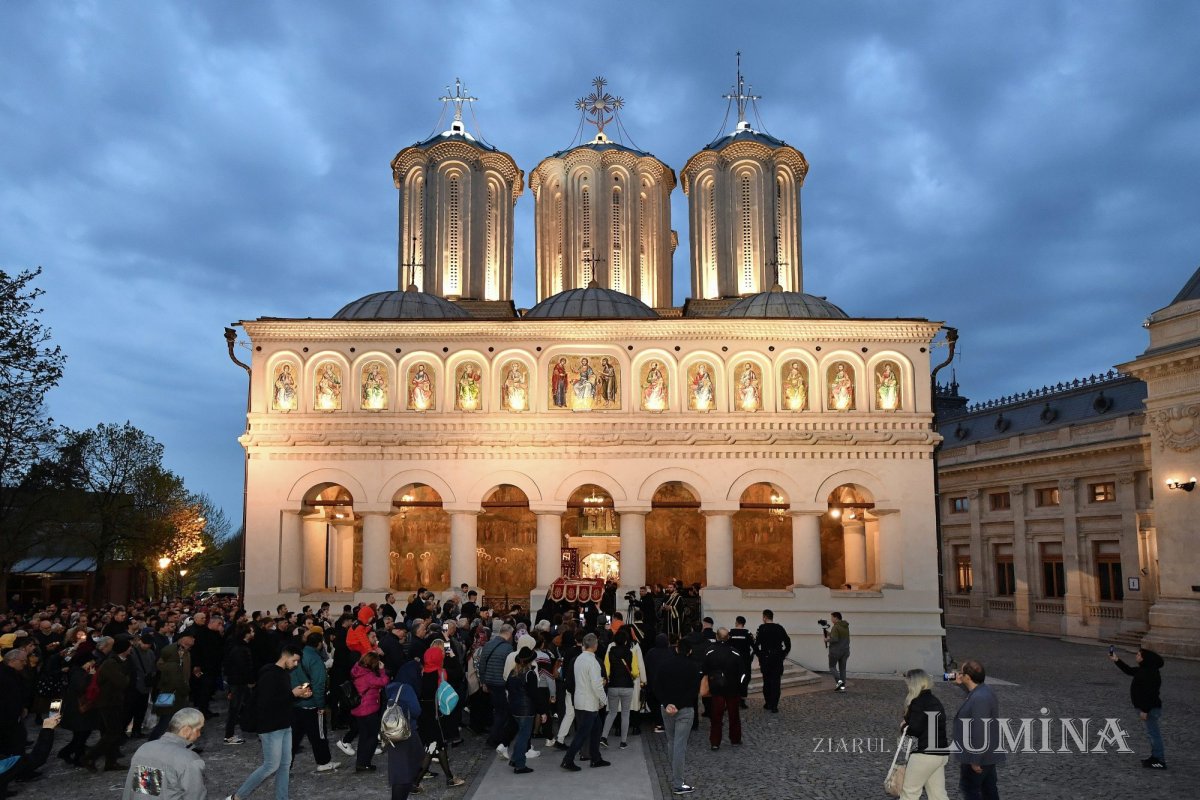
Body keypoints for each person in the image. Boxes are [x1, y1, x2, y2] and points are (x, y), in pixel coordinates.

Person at [224, 644, 313, 800]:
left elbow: (282, 700)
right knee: (271, 765)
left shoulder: (283, 674)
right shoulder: (270, 674)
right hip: (271, 727)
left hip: (284, 724)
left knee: (285, 766)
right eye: (294, 661)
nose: (295, 665)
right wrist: (293, 694)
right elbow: (266, 703)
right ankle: (236, 797)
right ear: (286, 656)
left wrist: (299, 695)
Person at [411, 646, 466, 790]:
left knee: (439, 747)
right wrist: (453, 657)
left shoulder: (421, 672)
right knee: (432, 748)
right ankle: (415, 783)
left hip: (424, 715)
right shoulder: (441, 673)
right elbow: (459, 674)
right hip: (436, 717)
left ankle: (449, 778)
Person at [122, 707, 207, 800]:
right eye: (199, 730)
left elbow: (146, 791)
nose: (199, 735)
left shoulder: (145, 749)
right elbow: (195, 796)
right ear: (186, 730)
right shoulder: (189, 759)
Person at [952, 659, 1004, 800]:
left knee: (970, 790)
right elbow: (972, 693)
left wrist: (975, 759)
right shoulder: (985, 690)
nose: (959, 674)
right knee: (989, 790)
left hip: (977, 755)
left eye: (961, 672)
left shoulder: (980, 698)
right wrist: (961, 685)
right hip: (987, 755)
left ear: (968, 677)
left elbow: (980, 730)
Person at [657, 638, 702, 795]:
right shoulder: (693, 667)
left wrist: (667, 703)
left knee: (671, 742)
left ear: (676, 649)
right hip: (684, 710)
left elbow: (657, 686)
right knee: (679, 745)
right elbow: (693, 691)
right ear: (689, 651)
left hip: (667, 708)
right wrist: (678, 705)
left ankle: (676, 775)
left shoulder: (664, 665)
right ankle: (678, 782)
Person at [1110, 646, 1167, 768]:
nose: (1136, 656)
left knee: (1153, 734)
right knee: (1151, 733)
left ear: (1145, 659)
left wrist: (1145, 710)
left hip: (1150, 709)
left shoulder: (1149, 674)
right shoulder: (1145, 670)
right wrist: (1116, 659)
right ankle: (1155, 757)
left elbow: (1151, 693)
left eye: (1139, 655)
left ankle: (1159, 760)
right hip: (1148, 708)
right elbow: (1129, 670)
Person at [560, 633, 609, 771]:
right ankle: (568, 760)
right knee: (582, 734)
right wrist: (604, 700)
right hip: (589, 703)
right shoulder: (593, 662)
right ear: (595, 646)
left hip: (580, 700)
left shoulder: (578, 659)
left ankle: (596, 758)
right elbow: (597, 685)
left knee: (596, 729)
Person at [291, 631, 338, 773]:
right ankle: (323, 762)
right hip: (311, 704)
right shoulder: (315, 660)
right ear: (319, 644)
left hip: (297, 702)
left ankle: (284, 765)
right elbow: (318, 684)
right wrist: (320, 705)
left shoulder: (300, 655)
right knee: (319, 734)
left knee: (293, 738)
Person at [898, 669, 949, 800]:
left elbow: (914, 729)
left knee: (909, 792)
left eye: (908, 683)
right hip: (940, 754)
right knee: (938, 795)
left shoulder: (918, 702)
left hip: (924, 754)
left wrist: (904, 725)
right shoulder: (935, 700)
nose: (907, 686)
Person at [85, 637, 132, 771]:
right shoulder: (111, 663)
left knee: (113, 732)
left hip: (114, 701)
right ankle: (90, 757)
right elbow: (122, 682)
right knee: (112, 732)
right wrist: (128, 675)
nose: (131, 649)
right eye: (129, 647)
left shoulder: (119, 661)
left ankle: (110, 762)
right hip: (107, 702)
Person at [702, 629, 744, 750]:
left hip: (716, 689)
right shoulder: (735, 652)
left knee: (716, 717)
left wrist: (709, 680)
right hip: (732, 689)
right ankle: (735, 739)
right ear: (728, 637)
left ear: (716, 636)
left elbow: (704, 669)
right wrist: (740, 686)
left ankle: (715, 742)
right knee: (734, 715)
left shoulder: (710, 651)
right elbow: (743, 673)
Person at [505, 647, 545, 774]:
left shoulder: (513, 672)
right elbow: (535, 695)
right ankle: (520, 765)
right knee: (524, 736)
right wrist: (542, 711)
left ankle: (515, 759)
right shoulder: (530, 674)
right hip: (526, 710)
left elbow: (508, 689)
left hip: (515, 708)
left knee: (521, 735)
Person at [382, 677, 423, 800]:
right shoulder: (407, 689)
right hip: (406, 733)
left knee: (401, 771)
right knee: (404, 772)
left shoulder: (389, 691)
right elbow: (416, 711)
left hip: (392, 734)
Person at [349, 651, 389, 772]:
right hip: (369, 709)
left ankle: (360, 762)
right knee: (372, 737)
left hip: (358, 709)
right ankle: (365, 763)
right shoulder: (369, 676)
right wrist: (382, 670)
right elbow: (384, 682)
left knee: (363, 737)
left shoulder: (356, 670)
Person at [149, 633, 195, 740]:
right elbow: (161, 666)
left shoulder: (184, 651)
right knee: (166, 719)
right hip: (170, 692)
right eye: (191, 637)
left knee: (179, 720)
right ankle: (153, 741)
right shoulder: (172, 656)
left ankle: (185, 743)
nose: (193, 639)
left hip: (176, 690)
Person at [599, 628, 638, 749]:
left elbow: (606, 671)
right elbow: (635, 672)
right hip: (627, 686)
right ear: (626, 641)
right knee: (625, 714)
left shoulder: (610, 653)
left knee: (612, 713)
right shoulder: (631, 653)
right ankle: (623, 742)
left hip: (613, 686)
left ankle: (604, 737)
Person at [479, 623, 515, 750]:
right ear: (509, 634)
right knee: (502, 712)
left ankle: (496, 736)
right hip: (501, 683)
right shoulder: (508, 648)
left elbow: (481, 664)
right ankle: (494, 738)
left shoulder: (488, 645)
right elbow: (510, 668)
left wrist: (483, 681)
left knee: (498, 710)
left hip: (489, 681)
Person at [223, 622, 255, 745]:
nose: (253, 633)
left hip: (238, 682)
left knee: (238, 707)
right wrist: (250, 681)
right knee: (234, 709)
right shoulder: (240, 649)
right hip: (238, 683)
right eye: (251, 631)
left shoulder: (240, 646)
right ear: (246, 634)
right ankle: (228, 736)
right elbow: (243, 667)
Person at [753, 610, 790, 713]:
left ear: (765, 617)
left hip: (766, 658)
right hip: (777, 658)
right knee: (776, 682)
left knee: (767, 681)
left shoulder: (761, 628)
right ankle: (774, 705)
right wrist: (784, 653)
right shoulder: (779, 628)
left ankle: (768, 703)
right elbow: (788, 642)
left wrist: (759, 654)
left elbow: (756, 645)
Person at [727, 617, 755, 709]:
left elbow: (726, 646)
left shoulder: (730, 633)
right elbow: (754, 647)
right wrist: (751, 657)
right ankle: (742, 701)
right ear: (744, 623)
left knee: (732, 680)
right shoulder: (748, 633)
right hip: (744, 661)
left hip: (732, 661)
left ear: (736, 622)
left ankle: (731, 700)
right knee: (744, 680)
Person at [825, 611, 850, 692]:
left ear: (836, 617)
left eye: (832, 617)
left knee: (832, 667)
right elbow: (838, 636)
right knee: (842, 669)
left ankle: (840, 684)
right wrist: (828, 633)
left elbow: (835, 639)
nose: (831, 619)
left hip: (835, 651)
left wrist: (827, 639)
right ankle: (842, 687)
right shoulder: (845, 626)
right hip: (845, 651)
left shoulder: (835, 627)